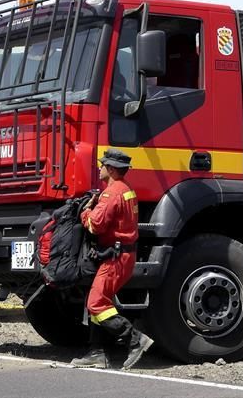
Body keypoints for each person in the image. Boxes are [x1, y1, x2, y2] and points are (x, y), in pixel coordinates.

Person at [71, 148, 153, 370]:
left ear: (112, 169)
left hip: (115, 258)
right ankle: (96, 352)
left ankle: (135, 340)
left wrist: (85, 213)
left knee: (96, 303)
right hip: (122, 255)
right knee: (100, 301)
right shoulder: (125, 189)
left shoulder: (112, 192)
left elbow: (95, 225)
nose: (100, 168)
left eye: (103, 165)